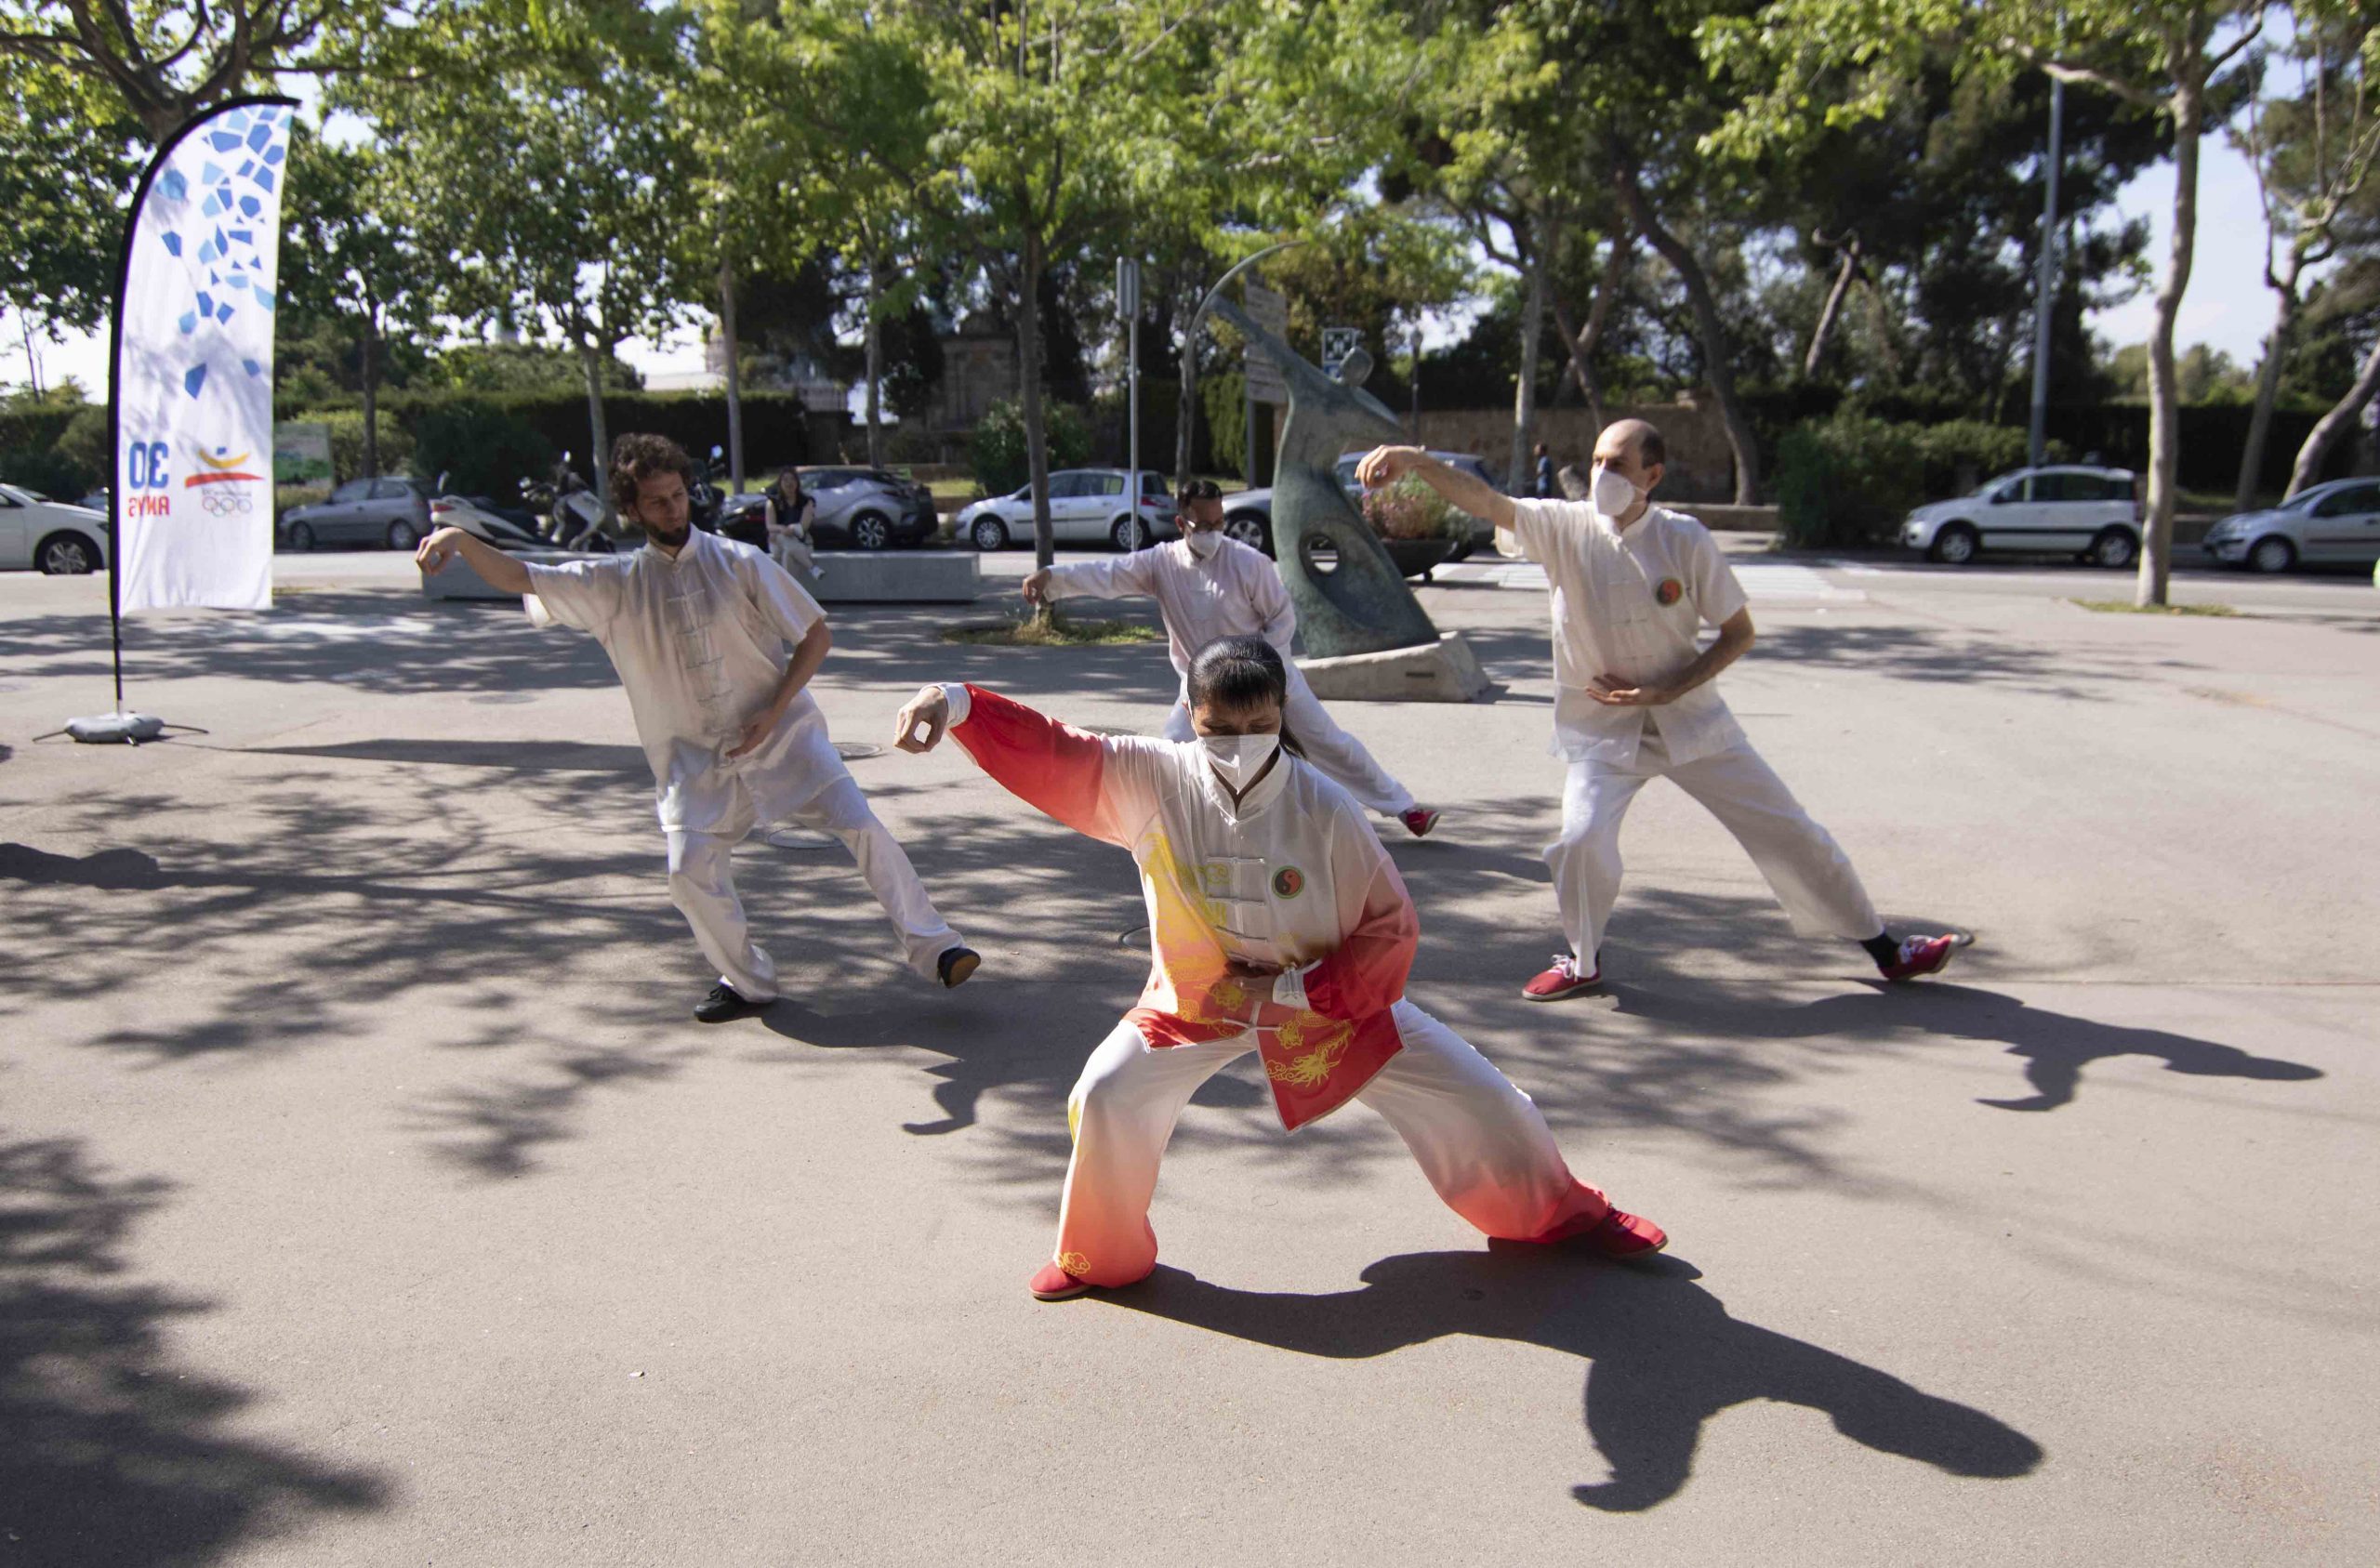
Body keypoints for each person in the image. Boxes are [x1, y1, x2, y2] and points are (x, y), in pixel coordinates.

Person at [892, 635, 1666, 1302]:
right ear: (1190, 713)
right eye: (1217, 725)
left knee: (1490, 1101)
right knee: (1104, 1090)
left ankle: (1569, 1212)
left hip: (1331, 1003)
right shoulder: (1151, 775)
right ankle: (1100, 1255)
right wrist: (952, 699)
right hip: (1196, 1001)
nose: (1238, 741)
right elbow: (1056, 746)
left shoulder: (1328, 808)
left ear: (1282, 716)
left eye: (1259, 724)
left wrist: (1293, 990)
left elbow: (1392, 930)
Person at [1355, 424, 1956, 1000]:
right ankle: (1582, 960)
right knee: (1580, 841)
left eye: (1616, 464)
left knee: (1791, 831)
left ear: (1654, 473)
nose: (1601, 474)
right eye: (1595, 461)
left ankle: (1887, 949)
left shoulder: (1684, 538)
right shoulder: (1564, 526)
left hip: (1694, 723)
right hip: (1602, 730)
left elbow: (1737, 632)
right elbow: (1487, 501)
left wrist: (1671, 688)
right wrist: (1415, 459)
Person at [416, 432, 979, 1022]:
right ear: (631, 510)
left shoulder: (739, 561)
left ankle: (937, 947)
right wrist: (457, 537)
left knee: (862, 826)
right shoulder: (615, 585)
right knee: (688, 874)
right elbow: (521, 577)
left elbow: (816, 635)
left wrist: (774, 708)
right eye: (657, 501)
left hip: (789, 741)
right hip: (696, 765)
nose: (673, 509)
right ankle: (747, 982)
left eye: (679, 495)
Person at [1020, 479, 1441, 838]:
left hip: (1267, 675)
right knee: (1172, 751)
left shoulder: (1249, 563)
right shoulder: (1160, 563)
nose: (1213, 531)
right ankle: (1155, 830)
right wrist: (1051, 578)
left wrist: (1262, 669)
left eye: (1218, 522)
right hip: (1200, 683)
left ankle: (1405, 808)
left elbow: (1282, 618)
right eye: (1202, 524)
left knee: (1328, 742)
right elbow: (1106, 575)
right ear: (1182, 523)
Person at [762, 466, 821, 581]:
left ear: (797, 482)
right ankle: (812, 567)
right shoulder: (772, 502)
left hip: (802, 544)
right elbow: (770, 526)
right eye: (785, 480)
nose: (789, 483)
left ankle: (788, 594)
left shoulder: (807, 501)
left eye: (792, 479)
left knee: (788, 553)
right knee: (780, 536)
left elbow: (803, 527)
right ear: (780, 483)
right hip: (777, 544)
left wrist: (791, 529)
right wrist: (782, 529)